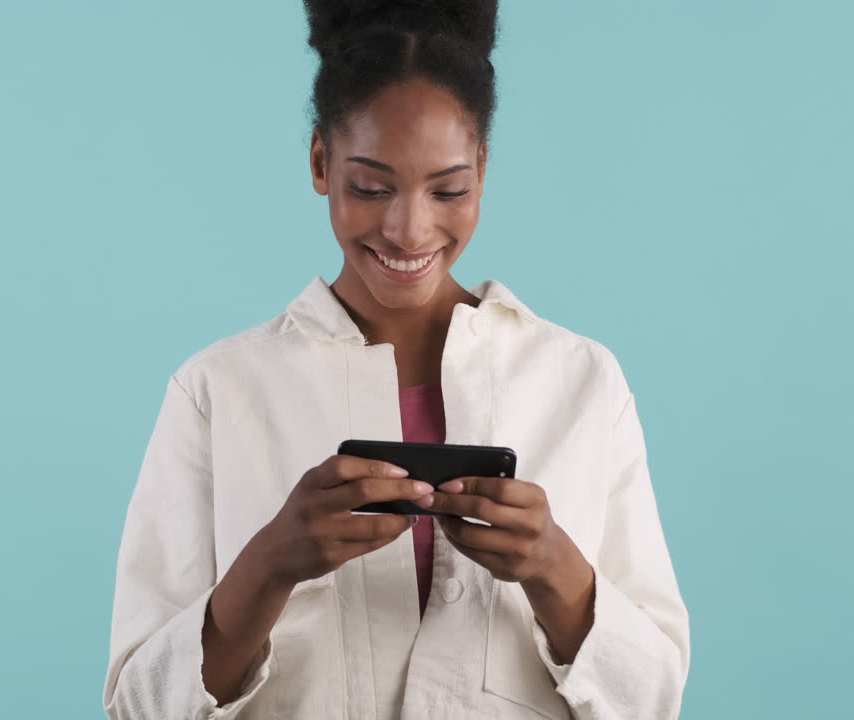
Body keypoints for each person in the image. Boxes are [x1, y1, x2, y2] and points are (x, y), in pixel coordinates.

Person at [102, 2, 690, 718]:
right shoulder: (217, 390)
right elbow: (138, 707)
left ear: (483, 169)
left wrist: (556, 572)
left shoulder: (581, 382)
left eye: (449, 190)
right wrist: (268, 566)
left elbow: (655, 698)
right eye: (370, 187)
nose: (409, 229)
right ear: (320, 162)